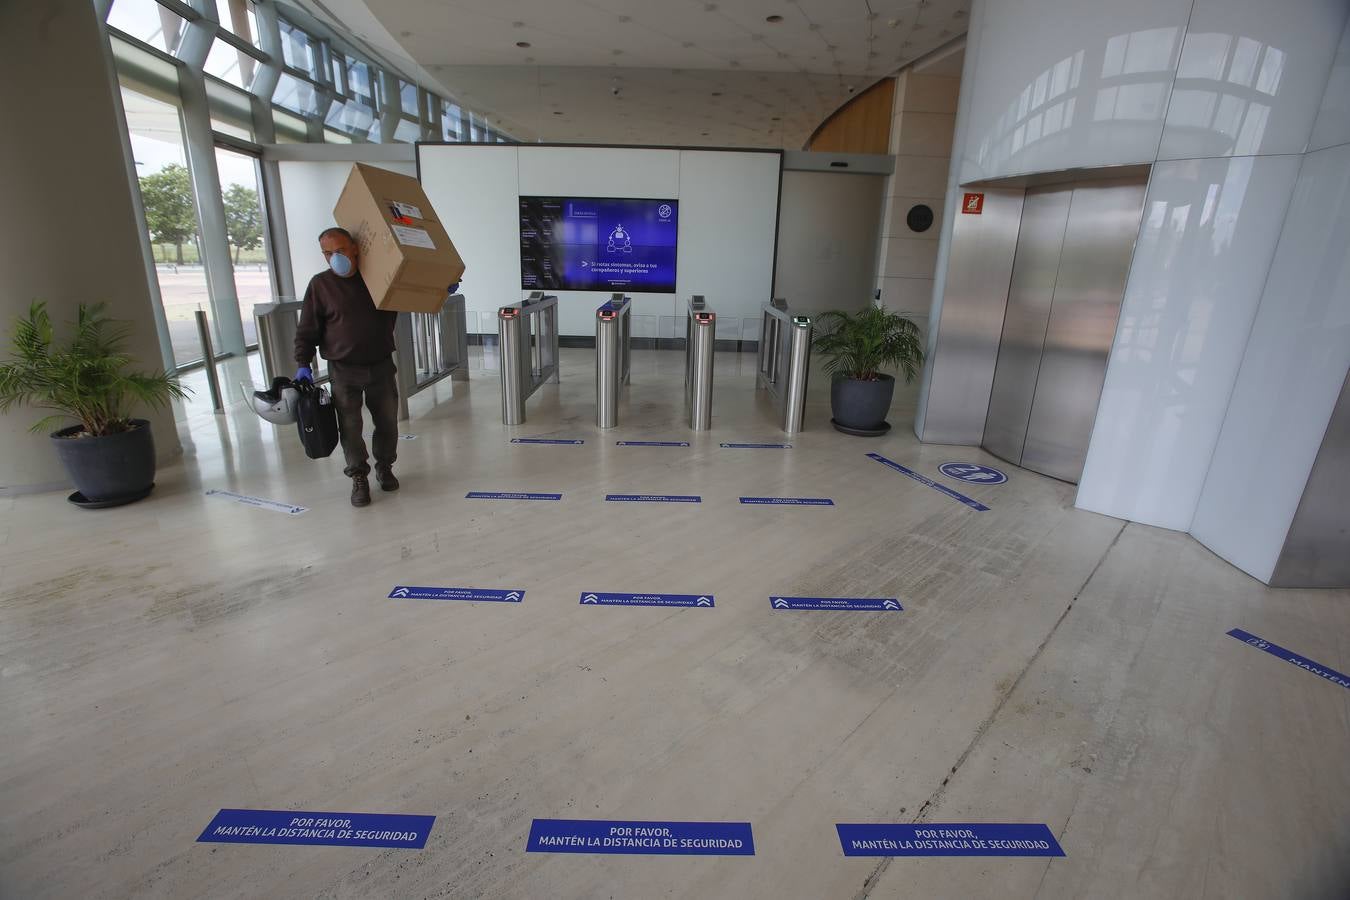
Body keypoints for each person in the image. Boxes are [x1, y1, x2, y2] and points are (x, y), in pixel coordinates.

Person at [294, 227, 399, 508]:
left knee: (387, 421)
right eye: (327, 253)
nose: (333, 258)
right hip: (343, 369)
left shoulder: (379, 279)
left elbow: (416, 291)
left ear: (354, 248)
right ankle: (358, 476)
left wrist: (442, 286)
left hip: (380, 364)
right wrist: (303, 362)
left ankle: (385, 466)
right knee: (350, 427)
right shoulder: (321, 285)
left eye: (339, 251)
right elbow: (307, 329)